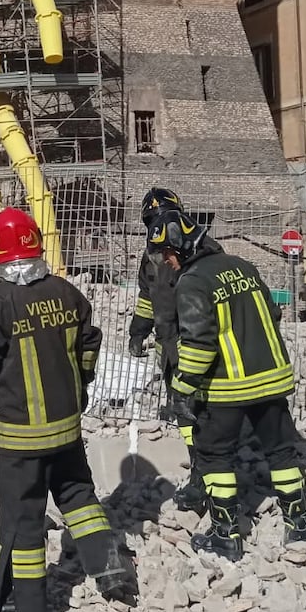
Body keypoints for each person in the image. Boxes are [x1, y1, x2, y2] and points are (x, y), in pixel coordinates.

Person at [0, 207, 128, 612]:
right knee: (80, 498)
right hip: (67, 430)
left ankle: (28, 608)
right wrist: (81, 385)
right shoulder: (66, 293)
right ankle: (112, 571)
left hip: (22, 441)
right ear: (36, 242)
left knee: (23, 519)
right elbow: (90, 343)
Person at [145, 208, 306, 561]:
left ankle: (226, 534)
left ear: (181, 246)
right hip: (273, 379)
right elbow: (273, 314)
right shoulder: (242, 267)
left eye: (167, 253)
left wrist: (183, 388)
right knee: (281, 451)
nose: (166, 261)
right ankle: (300, 523)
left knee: (215, 456)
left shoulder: (192, 282)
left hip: (227, 388)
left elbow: (200, 342)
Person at [127, 187, 203, 508]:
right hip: (170, 348)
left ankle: (210, 474)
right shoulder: (150, 257)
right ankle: (200, 468)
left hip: (199, 345)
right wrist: (137, 331)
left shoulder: (198, 249)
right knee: (185, 415)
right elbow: (147, 298)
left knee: (204, 412)